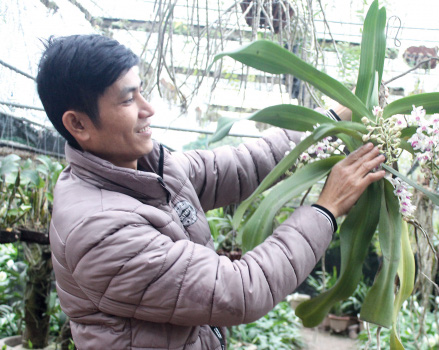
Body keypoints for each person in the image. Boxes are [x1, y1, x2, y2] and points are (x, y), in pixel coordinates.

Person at [36, 34, 386, 349]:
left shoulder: (149, 167)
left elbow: (241, 165)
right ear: (78, 124)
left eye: (142, 91)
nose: (149, 109)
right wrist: (325, 210)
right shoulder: (99, 229)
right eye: (129, 101)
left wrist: (324, 122)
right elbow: (237, 291)